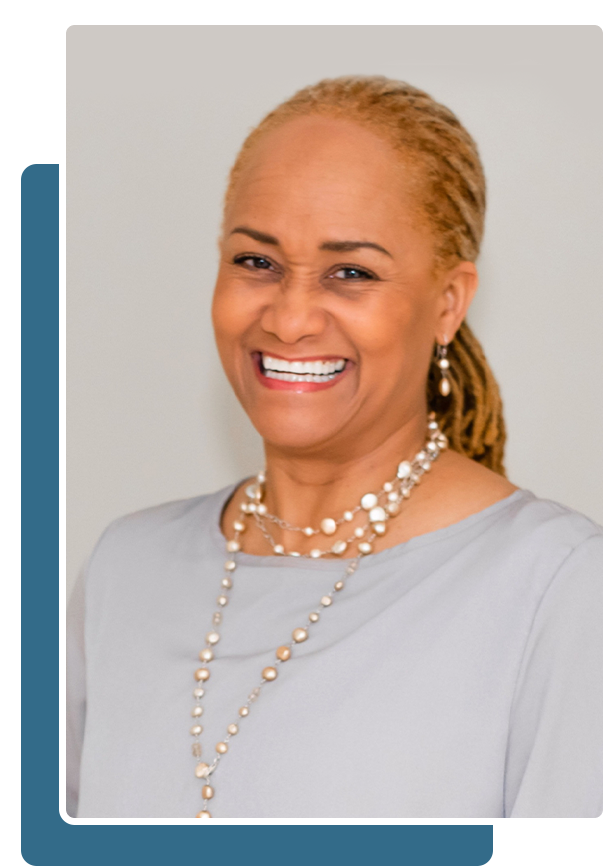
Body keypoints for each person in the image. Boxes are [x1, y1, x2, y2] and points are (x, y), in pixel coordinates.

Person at [66, 76, 602, 820]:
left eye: (351, 272)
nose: (289, 319)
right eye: (256, 262)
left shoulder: (561, 588)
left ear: (448, 303)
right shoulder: (126, 570)